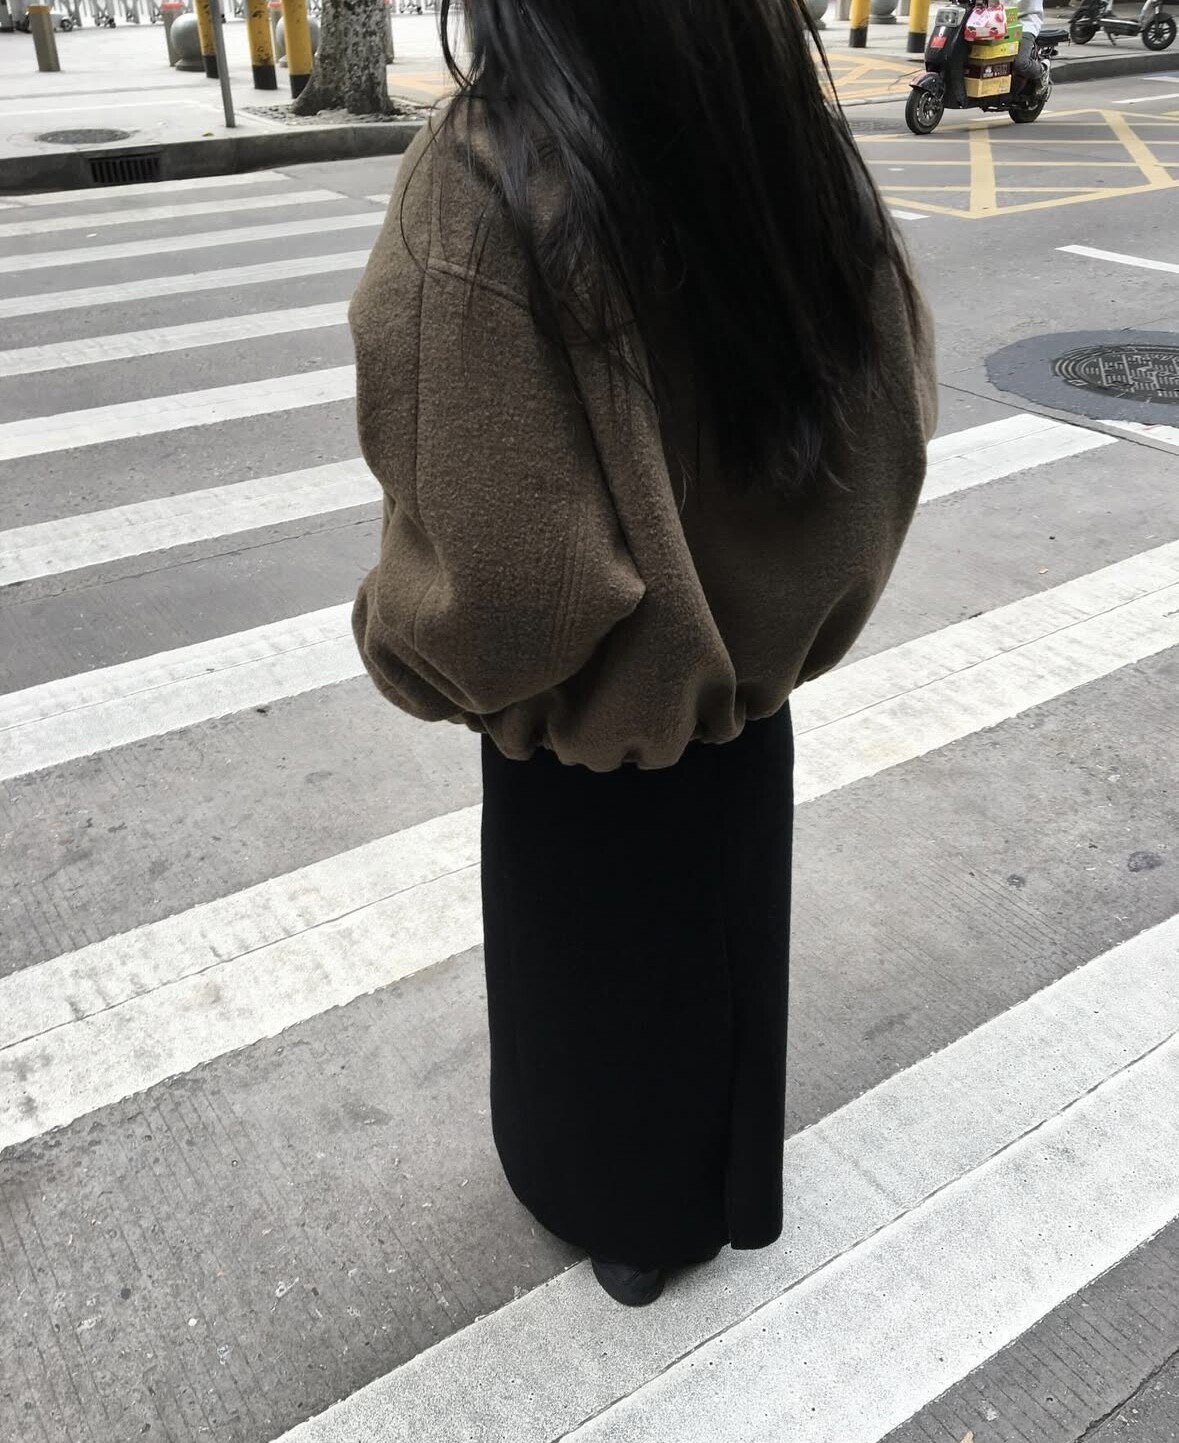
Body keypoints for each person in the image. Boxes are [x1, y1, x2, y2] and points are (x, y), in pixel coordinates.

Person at [350, 0, 937, 1308]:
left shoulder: (490, 169)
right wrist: (771, 629)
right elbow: (883, 439)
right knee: (717, 968)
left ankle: (621, 1216)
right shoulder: (783, 135)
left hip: (582, 742)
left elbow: (503, 580)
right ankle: (693, 1198)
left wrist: (398, 646)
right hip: (745, 728)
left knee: (590, 1012)